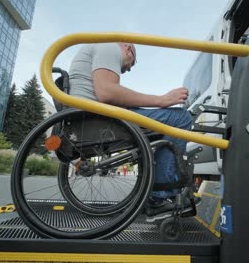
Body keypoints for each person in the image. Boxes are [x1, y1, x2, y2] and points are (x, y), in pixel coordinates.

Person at [69, 42, 199, 221]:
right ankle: (160, 197)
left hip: (90, 118)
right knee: (181, 118)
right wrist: (161, 100)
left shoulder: (96, 52)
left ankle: (156, 189)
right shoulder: (109, 47)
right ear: (128, 48)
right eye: (132, 63)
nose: (128, 69)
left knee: (159, 123)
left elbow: (110, 96)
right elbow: (106, 92)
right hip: (98, 119)